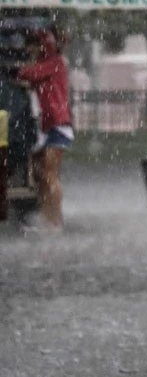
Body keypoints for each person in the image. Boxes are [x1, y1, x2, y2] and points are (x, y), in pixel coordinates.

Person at [15, 27, 72, 230]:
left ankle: (55, 220)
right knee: (40, 174)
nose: (28, 50)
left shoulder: (55, 63)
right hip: (47, 125)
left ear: (42, 46)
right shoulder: (48, 63)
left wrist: (22, 70)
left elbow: (28, 73)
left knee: (49, 174)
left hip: (58, 124)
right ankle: (47, 216)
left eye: (31, 45)